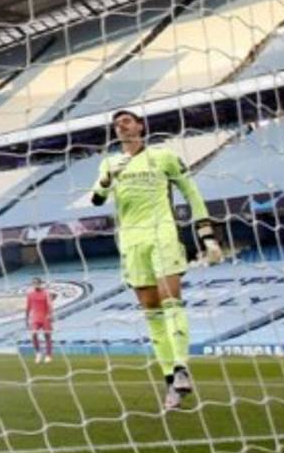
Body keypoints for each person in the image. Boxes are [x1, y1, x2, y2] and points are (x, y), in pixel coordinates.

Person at [91, 109, 222, 411]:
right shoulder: (109, 163)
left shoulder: (164, 157)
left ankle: (181, 367)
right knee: (151, 311)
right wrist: (107, 179)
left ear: (140, 126)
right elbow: (96, 199)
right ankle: (170, 383)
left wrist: (207, 235)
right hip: (131, 241)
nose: (120, 125)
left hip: (162, 234)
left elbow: (192, 193)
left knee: (170, 300)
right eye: (116, 123)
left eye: (126, 120)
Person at [25, 277, 54, 364]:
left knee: (47, 336)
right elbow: (28, 307)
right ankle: (38, 353)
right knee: (33, 334)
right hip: (35, 318)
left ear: (40, 283)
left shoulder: (46, 293)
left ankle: (48, 356)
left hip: (45, 317)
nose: (35, 284)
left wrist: (50, 315)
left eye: (37, 283)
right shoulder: (30, 294)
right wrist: (26, 318)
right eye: (34, 283)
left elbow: (50, 305)